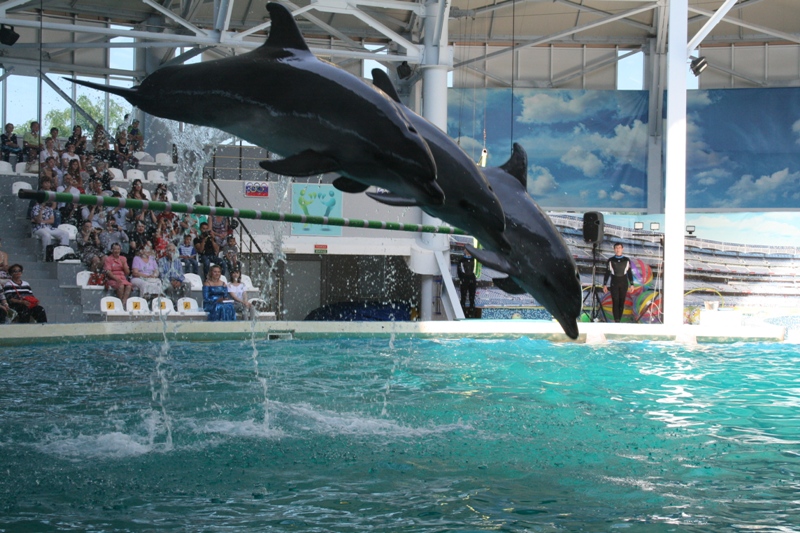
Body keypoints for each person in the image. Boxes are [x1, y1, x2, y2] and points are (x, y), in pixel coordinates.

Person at [602, 242, 635, 323]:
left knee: (622, 301)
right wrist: (605, 284)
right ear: (614, 249)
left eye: (619, 248)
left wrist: (632, 284)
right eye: (616, 248)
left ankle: (619, 320)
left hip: (624, 282)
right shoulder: (611, 260)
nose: (618, 249)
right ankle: (616, 320)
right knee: (615, 301)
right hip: (614, 282)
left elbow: (629, 273)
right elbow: (607, 273)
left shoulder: (626, 260)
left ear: (622, 249)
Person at [30, 191, 70, 256]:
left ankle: (63, 254)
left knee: (65, 234)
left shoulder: (49, 209)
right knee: (47, 235)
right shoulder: (35, 208)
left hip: (48, 227)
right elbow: (37, 221)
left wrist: (42, 221)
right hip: (38, 228)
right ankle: (46, 255)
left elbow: (52, 221)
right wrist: (41, 211)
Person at [457, 249, 477, 316]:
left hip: (472, 278)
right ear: (464, 251)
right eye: (466, 250)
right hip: (464, 279)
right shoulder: (461, 260)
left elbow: (476, 269)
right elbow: (459, 271)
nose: (467, 251)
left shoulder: (474, 259)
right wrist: (462, 278)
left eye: (469, 250)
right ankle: (462, 312)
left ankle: (472, 312)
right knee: (463, 296)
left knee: (472, 296)